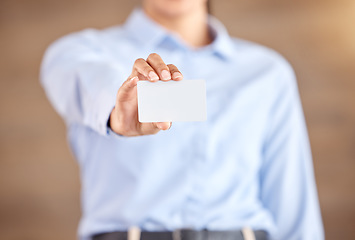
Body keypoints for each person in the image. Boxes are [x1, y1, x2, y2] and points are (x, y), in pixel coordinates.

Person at [40, 0, 324, 239]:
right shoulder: (78, 52)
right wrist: (118, 109)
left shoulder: (268, 73)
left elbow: (292, 203)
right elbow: (90, 81)